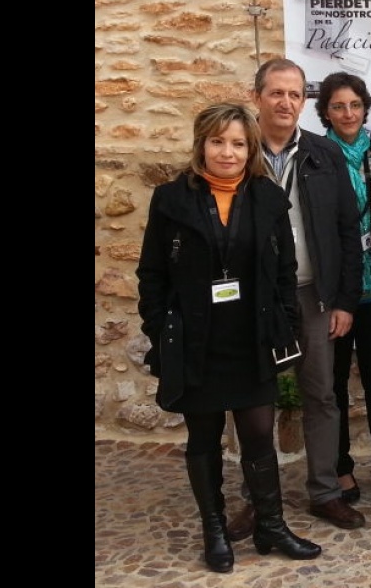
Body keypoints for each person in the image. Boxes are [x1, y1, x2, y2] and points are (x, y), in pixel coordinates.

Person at [137, 102, 320, 572]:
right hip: (197, 341)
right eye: (218, 141)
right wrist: (159, 330)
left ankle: (271, 524)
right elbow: (152, 273)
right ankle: (214, 528)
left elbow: (284, 271)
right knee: (204, 435)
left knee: (259, 434)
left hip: (252, 337)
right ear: (201, 144)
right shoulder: (171, 200)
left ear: (250, 148)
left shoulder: (268, 197)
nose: (228, 152)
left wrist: (286, 323)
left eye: (238, 143)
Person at [227, 58, 366, 537]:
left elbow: (349, 231)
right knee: (252, 397)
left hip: (314, 297)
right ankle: (257, 499)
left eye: (295, 95)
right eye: (277, 93)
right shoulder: (237, 152)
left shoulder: (324, 155)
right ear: (258, 96)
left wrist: (345, 300)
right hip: (253, 299)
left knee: (322, 395)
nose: (286, 103)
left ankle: (325, 491)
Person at [313, 72, 371, 503]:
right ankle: (341, 467)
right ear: (325, 112)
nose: (347, 113)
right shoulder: (315, 158)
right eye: (337, 106)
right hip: (334, 295)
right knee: (333, 386)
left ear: (366, 108)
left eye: (354, 105)